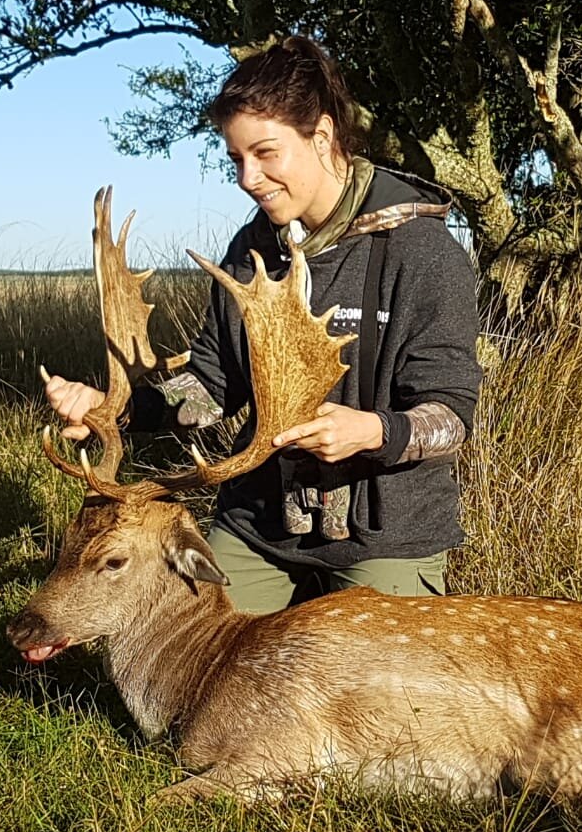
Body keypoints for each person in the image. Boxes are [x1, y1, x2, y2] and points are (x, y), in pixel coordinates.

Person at [45, 35, 481, 613]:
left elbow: (450, 416)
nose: (248, 178)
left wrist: (373, 432)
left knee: (366, 696)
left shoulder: (422, 252)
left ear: (322, 136)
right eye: (235, 158)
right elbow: (210, 387)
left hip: (384, 534)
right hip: (260, 524)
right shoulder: (251, 249)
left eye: (266, 153)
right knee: (185, 651)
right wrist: (119, 408)